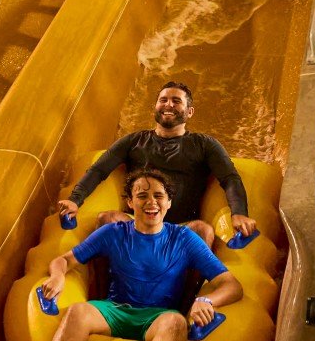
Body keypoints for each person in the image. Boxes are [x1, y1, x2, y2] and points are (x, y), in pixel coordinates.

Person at [25, 169, 242, 341]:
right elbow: (63, 260)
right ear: (130, 202)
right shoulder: (114, 233)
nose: (151, 202)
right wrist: (57, 277)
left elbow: (231, 285)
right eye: (142, 195)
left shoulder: (184, 239)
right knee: (78, 311)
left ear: (169, 203)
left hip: (157, 317)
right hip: (115, 310)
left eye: (158, 196)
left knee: (175, 323)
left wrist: (207, 301)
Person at [57, 81, 257, 247]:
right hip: (137, 223)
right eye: (163, 100)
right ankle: (102, 282)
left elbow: (229, 178)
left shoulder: (204, 145)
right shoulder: (133, 141)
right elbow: (99, 170)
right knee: (107, 219)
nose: (169, 105)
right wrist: (75, 200)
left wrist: (239, 213)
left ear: (189, 112)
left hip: (180, 227)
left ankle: (192, 286)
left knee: (202, 229)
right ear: (155, 107)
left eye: (176, 101)